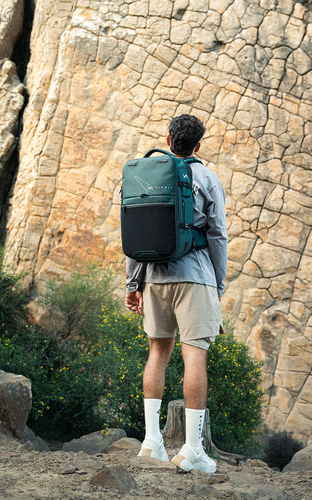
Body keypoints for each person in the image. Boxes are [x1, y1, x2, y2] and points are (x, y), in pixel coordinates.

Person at [125, 114, 228, 474]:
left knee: (157, 353)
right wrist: (217, 285)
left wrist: (133, 283)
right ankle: (193, 450)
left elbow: (135, 228)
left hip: (154, 277)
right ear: (198, 145)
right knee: (194, 356)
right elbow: (217, 235)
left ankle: (151, 442)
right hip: (195, 277)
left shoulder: (147, 174)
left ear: (168, 140)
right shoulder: (207, 177)